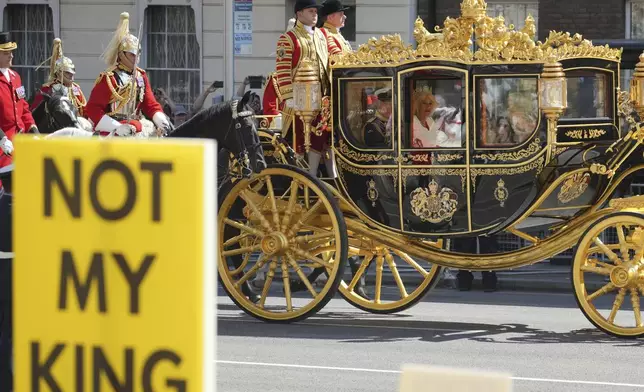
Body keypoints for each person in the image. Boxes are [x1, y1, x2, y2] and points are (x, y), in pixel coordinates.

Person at [85, 12, 172, 137]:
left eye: (138, 54)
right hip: (111, 129)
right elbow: (93, 109)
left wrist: (160, 119)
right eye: (132, 54)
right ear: (121, 54)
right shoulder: (109, 78)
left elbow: (150, 105)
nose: (136, 58)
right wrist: (117, 127)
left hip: (136, 126)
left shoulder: (140, 76)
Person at [274, 0, 335, 177]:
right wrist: (288, 97)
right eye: (311, 11)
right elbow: (283, 70)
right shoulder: (289, 38)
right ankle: (301, 176)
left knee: (321, 138)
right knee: (299, 140)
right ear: (299, 13)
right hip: (300, 97)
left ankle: (314, 174)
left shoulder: (321, 36)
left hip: (322, 96)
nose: (315, 14)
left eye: (316, 11)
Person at [0, 31, 38, 170]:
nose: (11, 55)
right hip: (3, 145)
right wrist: (2, 139)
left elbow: (24, 108)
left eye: (11, 51)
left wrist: (33, 128)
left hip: (20, 141)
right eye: (6, 53)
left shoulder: (16, 77)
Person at [30, 38, 87, 117]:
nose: (71, 75)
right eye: (67, 72)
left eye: (72, 72)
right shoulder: (47, 89)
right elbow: (35, 111)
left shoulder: (75, 88)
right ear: (59, 73)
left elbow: (84, 109)